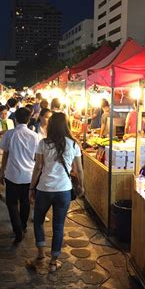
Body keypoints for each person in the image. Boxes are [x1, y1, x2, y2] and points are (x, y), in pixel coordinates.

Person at [29, 112, 84, 271]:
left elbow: (38, 167)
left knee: (38, 221)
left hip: (44, 189)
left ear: (51, 126)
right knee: (58, 226)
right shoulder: (73, 144)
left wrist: (31, 187)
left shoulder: (43, 144)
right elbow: (79, 170)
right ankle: (53, 262)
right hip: (63, 190)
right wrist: (81, 185)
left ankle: (40, 255)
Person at [0, 107, 39, 245]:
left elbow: (5, 154)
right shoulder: (34, 136)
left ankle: (18, 231)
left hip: (12, 175)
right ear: (29, 119)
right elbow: (37, 157)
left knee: (11, 203)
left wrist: (1, 172)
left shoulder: (9, 134)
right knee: (25, 202)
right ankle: (23, 226)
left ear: (15, 119)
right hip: (29, 175)